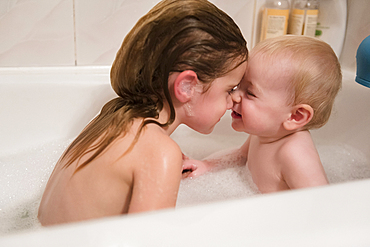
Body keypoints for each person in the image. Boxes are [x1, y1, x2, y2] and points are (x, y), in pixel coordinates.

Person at [38, 0, 248, 226]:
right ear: (187, 86)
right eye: (230, 89)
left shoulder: (112, 117)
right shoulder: (159, 153)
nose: (233, 101)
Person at [183, 35, 342, 193]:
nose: (235, 96)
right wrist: (208, 165)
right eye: (238, 86)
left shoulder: (295, 154)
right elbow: (240, 155)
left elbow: (321, 205)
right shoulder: (265, 133)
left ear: (295, 116)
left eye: (250, 93)